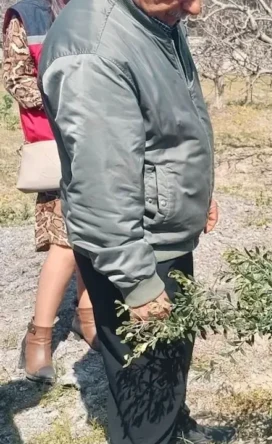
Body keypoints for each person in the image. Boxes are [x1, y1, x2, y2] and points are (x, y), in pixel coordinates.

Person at [38, 0, 232, 441]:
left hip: (159, 232)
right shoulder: (95, 48)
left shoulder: (151, 16)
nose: (196, 8)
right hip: (136, 246)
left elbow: (164, 132)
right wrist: (138, 280)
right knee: (146, 379)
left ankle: (170, 428)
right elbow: (101, 181)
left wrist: (196, 193)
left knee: (166, 362)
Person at [2, 0, 97, 384]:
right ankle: (38, 335)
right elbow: (18, 81)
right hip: (58, 143)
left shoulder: (97, 9)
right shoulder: (28, 15)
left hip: (100, 140)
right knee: (66, 241)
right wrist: (73, 97)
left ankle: (85, 314)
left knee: (95, 231)